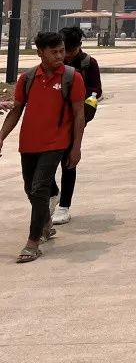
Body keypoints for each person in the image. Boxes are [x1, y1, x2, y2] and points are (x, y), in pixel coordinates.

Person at [0, 31, 85, 263]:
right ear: (40, 53)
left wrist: (76, 147)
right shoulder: (27, 79)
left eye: (61, 51)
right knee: (31, 189)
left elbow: (79, 114)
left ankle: (33, 242)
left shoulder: (71, 77)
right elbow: (16, 110)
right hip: (29, 143)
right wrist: (1, 136)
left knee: (39, 188)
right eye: (54, 52)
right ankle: (46, 222)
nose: (60, 56)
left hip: (57, 142)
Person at [45, 27, 102, 226]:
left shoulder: (88, 64)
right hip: (51, 118)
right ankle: (53, 192)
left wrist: (84, 102)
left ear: (79, 46)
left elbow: (96, 91)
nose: (64, 55)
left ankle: (64, 206)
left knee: (69, 161)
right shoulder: (51, 61)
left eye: (69, 50)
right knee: (44, 160)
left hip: (75, 118)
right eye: (61, 50)